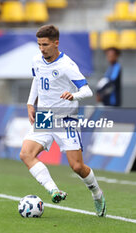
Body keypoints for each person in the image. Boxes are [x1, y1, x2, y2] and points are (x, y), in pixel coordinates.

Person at [20, 25, 106, 216]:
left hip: (65, 119)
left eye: (45, 44)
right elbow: (37, 79)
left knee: (77, 167)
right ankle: (53, 190)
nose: (42, 49)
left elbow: (87, 90)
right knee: (26, 154)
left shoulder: (67, 65)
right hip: (45, 117)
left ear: (56, 43)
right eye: (39, 44)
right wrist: (30, 103)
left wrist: (73, 96)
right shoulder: (37, 60)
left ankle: (97, 193)